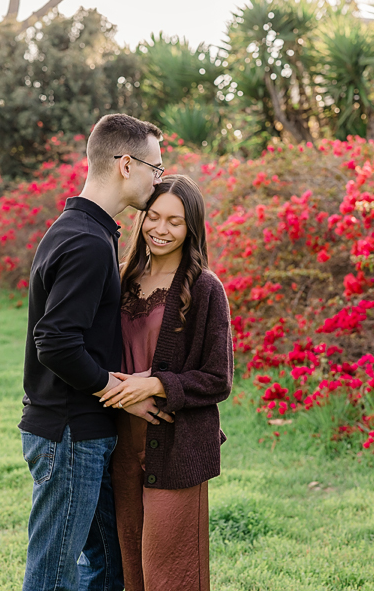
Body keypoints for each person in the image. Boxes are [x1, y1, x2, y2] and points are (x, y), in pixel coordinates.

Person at [19, 113, 174, 591]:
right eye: (156, 167)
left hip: (83, 433)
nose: (159, 178)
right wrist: (120, 391)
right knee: (53, 577)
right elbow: (56, 341)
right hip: (68, 434)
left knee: (112, 567)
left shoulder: (90, 231)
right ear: (126, 164)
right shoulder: (86, 241)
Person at [99, 174, 234, 591]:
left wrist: (156, 385)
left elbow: (218, 379)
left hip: (176, 446)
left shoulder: (205, 288)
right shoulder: (120, 278)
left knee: (172, 574)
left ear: (191, 228)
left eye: (174, 222)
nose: (161, 229)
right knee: (132, 569)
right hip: (120, 443)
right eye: (154, 217)